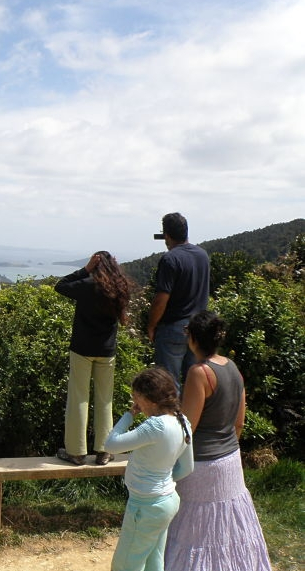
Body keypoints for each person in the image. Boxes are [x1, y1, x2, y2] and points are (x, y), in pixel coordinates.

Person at [165, 311, 272, 571]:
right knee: (229, 527)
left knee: (195, 530)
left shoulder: (199, 373)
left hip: (202, 465)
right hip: (230, 462)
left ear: (192, 338)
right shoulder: (232, 367)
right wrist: (227, 448)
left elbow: (187, 428)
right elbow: (239, 422)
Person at [104, 367, 194, 571]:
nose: (135, 402)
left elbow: (110, 445)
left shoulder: (154, 426)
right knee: (154, 561)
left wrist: (128, 415)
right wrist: (161, 480)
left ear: (151, 400)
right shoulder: (183, 421)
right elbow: (187, 468)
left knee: (126, 565)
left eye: (136, 397)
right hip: (167, 501)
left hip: (146, 507)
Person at [55, 251, 132, 466]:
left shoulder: (87, 285)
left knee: (79, 398)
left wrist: (85, 269)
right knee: (104, 400)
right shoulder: (119, 289)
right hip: (106, 351)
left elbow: (60, 285)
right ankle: (104, 451)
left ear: (95, 266)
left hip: (82, 348)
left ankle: (76, 452)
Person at [147, 213, 210, 386]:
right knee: (193, 382)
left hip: (173, 329)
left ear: (166, 235)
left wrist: (152, 326)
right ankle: (191, 413)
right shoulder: (202, 255)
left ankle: (173, 414)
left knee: (168, 385)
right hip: (198, 327)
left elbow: (161, 298)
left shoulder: (170, 259)